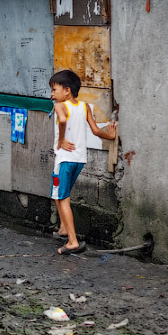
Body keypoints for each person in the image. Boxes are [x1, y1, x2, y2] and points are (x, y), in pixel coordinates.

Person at [48, 69, 117, 255]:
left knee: (62, 198)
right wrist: (110, 135)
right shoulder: (84, 106)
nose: (52, 94)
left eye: (54, 90)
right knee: (59, 193)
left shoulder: (60, 106)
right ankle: (63, 228)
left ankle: (72, 241)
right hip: (79, 160)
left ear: (67, 90)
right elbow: (95, 131)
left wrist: (61, 139)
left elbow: (62, 120)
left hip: (64, 159)